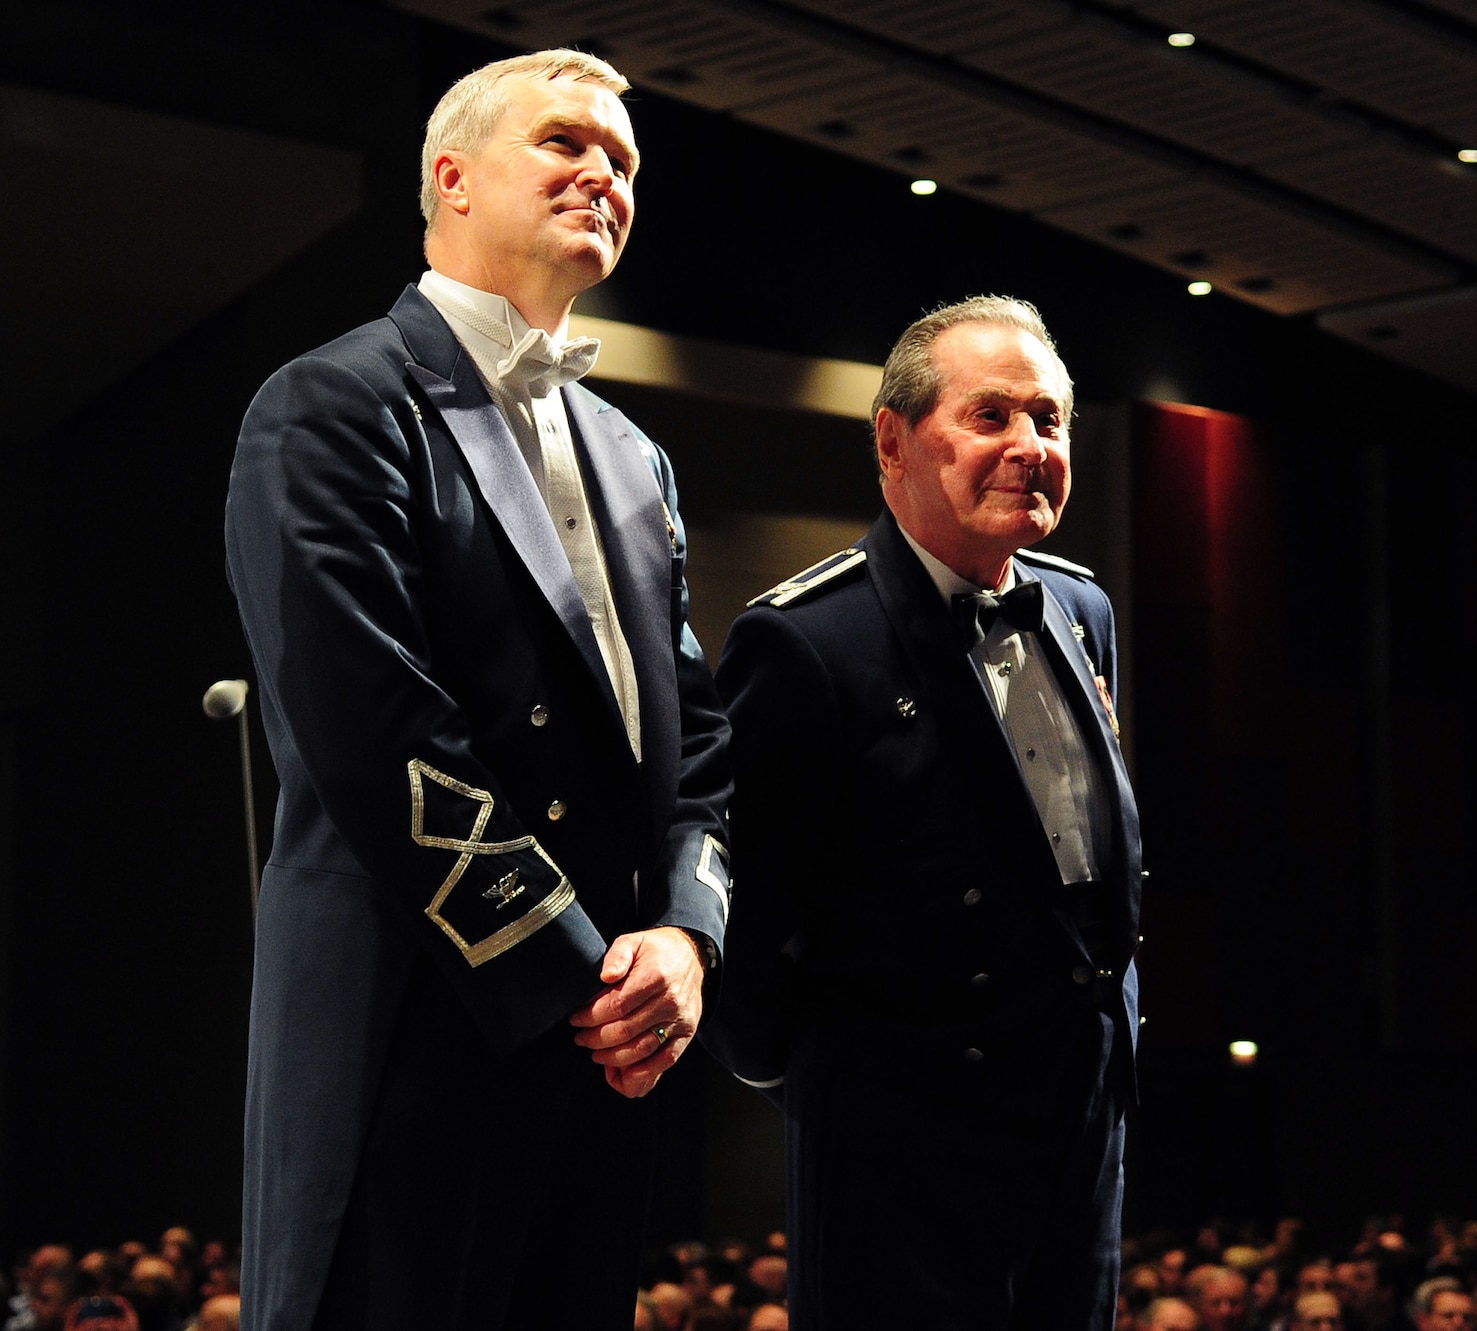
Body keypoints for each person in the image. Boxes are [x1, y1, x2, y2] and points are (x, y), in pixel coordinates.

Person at [225, 47, 731, 1330]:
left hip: (600, 1040)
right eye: (564, 143)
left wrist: (683, 934)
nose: (602, 175)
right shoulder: (331, 403)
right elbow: (376, 732)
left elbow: (691, 740)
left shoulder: (635, 456)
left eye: (621, 160)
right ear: (449, 177)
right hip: (418, 1030)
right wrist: (584, 976)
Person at [704, 295, 1143, 1328]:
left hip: (1079, 1120)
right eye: (989, 416)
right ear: (892, 439)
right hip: (900, 1145)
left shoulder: (1081, 608)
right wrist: (841, 1090)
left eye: (1048, 419)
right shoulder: (805, 639)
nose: (1027, 447)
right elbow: (749, 922)